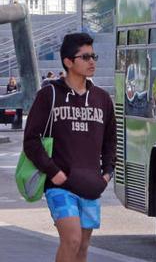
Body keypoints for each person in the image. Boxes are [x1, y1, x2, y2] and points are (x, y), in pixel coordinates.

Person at [23, 33, 116, 262]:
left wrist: (106, 174)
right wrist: (54, 173)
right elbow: (31, 140)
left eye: (93, 56)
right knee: (72, 239)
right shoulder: (49, 95)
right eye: (85, 57)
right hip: (60, 185)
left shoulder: (102, 99)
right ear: (68, 61)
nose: (92, 61)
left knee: (83, 247)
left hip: (91, 185)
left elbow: (111, 140)